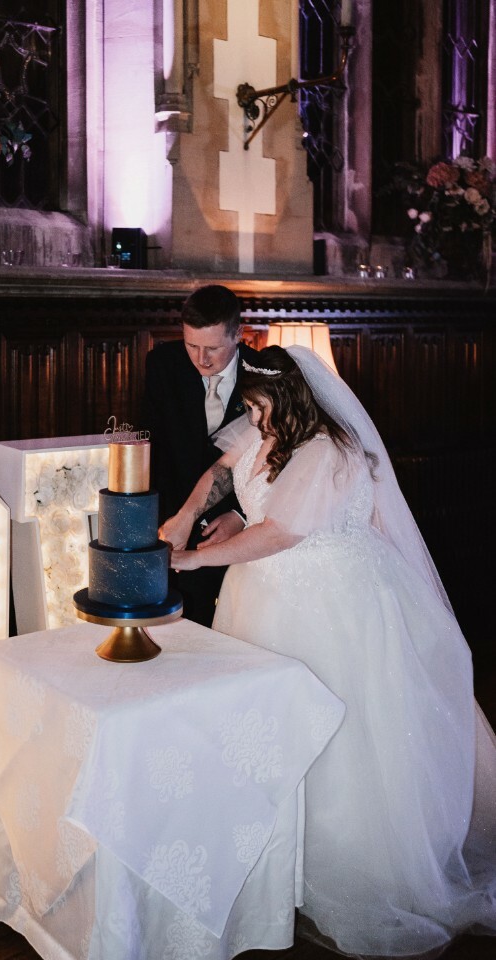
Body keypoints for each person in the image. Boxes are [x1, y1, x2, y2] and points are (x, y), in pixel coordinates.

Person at [161, 344, 496, 958]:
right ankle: (265, 854)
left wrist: (194, 557)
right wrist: (202, 516)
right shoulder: (268, 428)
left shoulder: (325, 449)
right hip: (261, 593)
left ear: (286, 401)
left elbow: (283, 530)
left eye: (260, 408)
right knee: (260, 727)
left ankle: (342, 862)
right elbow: (226, 473)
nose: (254, 418)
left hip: (329, 603)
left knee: (339, 735)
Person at [141, 284, 261, 626]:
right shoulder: (162, 365)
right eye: (191, 345)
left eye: (212, 348)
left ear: (238, 333)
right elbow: (154, 450)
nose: (201, 359)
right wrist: (169, 521)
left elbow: (276, 461)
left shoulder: (265, 374)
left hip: (241, 527)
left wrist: (241, 515)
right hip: (176, 524)